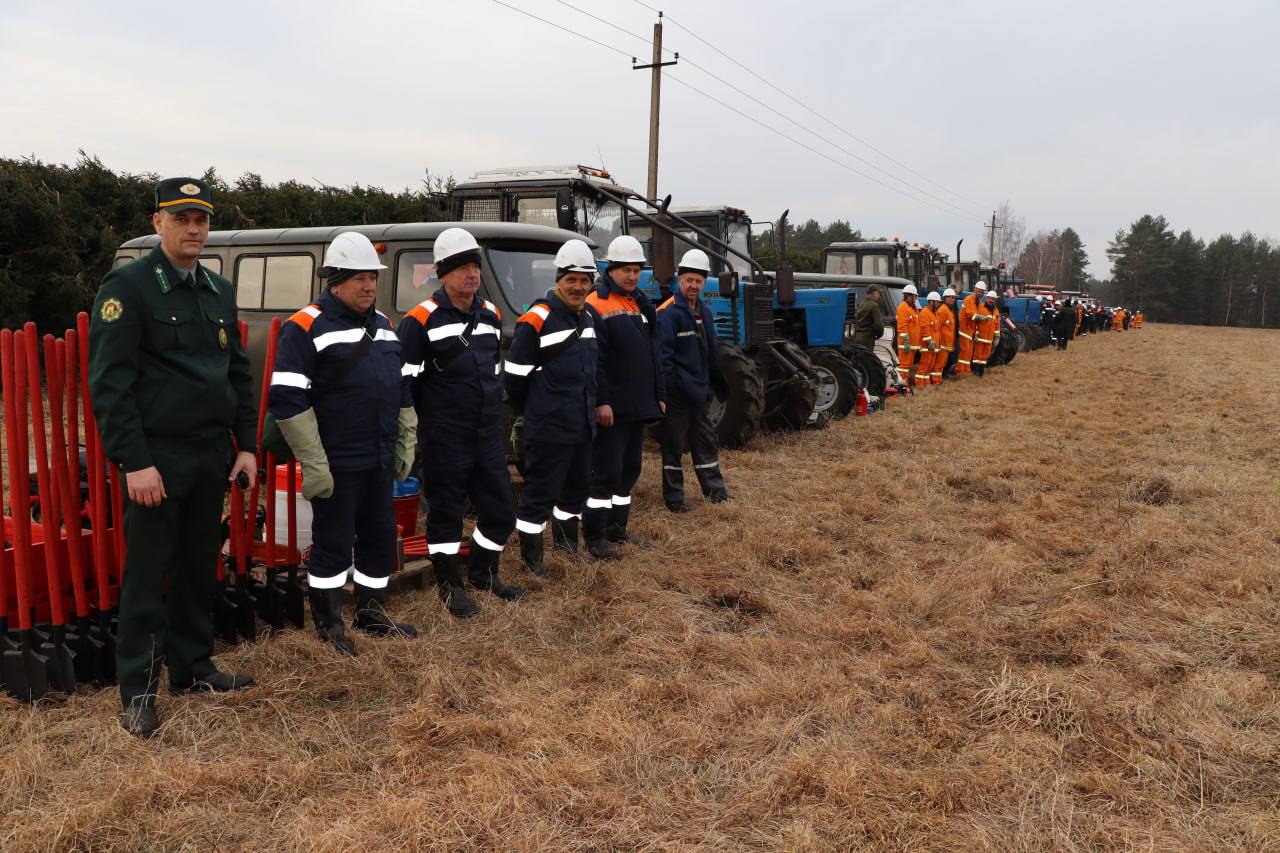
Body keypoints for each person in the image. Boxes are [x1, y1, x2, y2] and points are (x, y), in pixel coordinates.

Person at [89, 177, 258, 738]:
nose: (193, 229)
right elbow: (112, 384)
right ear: (158, 222)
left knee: (196, 568)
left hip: (210, 454)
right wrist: (134, 461)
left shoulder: (216, 290)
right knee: (147, 574)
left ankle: (192, 667)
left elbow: (236, 373)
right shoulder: (130, 287)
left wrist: (248, 446)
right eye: (181, 218)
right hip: (157, 459)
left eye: (202, 220)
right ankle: (137, 688)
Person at [269, 231, 417, 657]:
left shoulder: (385, 326)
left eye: (373, 278)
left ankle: (372, 613)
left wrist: (406, 438)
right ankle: (330, 625)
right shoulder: (305, 326)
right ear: (334, 280)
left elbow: (401, 385)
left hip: (378, 456)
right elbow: (287, 399)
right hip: (336, 460)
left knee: (378, 535)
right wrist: (314, 463)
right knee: (333, 542)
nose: (370, 286)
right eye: (359, 279)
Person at [397, 227, 522, 618]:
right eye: (461, 267)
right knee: (447, 514)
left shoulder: (491, 314)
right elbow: (405, 384)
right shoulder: (419, 321)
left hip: (485, 431)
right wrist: (414, 434)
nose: (471, 274)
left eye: (475, 266)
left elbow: (493, 369)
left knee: (501, 509)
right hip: (444, 433)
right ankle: (450, 584)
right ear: (443, 273)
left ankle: (484, 572)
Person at [504, 239, 600, 577]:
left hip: (582, 426)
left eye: (583, 280)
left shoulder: (588, 317)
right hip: (549, 429)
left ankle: (567, 548)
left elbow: (591, 371)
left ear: (592, 283)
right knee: (539, 497)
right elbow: (515, 378)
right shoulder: (536, 319)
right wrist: (537, 410)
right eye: (570, 279)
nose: (577, 287)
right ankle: (533, 563)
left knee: (575, 493)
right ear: (558, 279)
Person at [582, 235, 666, 557]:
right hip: (612, 408)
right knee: (605, 473)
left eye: (636, 269)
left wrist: (658, 394)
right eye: (625, 270)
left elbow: (653, 353)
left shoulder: (641, 303)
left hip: (637, 405)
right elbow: (596, 360)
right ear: (611, 269)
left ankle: (617, 530)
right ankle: (595, 537)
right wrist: (602, 401)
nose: (632, 275)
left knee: (629, 470)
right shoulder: (596, 304)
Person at [657, 249, 730, 511]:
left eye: (698, 281)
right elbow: (662, 358)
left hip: (699, 391)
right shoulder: (668, 312)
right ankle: (675, 499)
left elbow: (711, 351)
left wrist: (716, 384)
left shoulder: (704, 311)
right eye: (689, 280)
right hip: (678, 394)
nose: (693, 285)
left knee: (705, 442)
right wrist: (671, 389)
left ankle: (716, 492)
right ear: (679, 280)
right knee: (674, 445)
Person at [954, 280, 987, 375]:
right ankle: (960, 370)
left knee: (969, 352)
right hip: (964, 329)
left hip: (970, 331)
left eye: (982, 292)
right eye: (979, 291)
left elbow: (978, 320)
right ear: (975, 290)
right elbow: (970, 314)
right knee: (965, 351)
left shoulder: (979, 303)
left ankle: (966, 370)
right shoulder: (968, 299)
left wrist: (976, 332)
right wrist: (981, 317)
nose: (980, 293)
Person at [895, 283, 922, 387]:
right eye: (915, 296)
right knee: (903, 366)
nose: (916, 298)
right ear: (909, 296)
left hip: (912, 344)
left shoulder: (913, 308)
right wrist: (906, 341)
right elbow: (902, 326)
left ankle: (904, 385)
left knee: (907, 366)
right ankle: (900, 386)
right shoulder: (903, 308)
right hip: (906, 344)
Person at [920, 291, 947, 384]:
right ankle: (920, 384)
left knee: (929, 366)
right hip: (927, 346)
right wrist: (929, 341)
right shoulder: (925, 313)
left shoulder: (934, 313)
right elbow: (924, 329)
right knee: (924, 366)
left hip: (933, 346)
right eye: (938, 302)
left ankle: (926, 385)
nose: (939, 304)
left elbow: (936, 330)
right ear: (931, 302)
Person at [972, 289, 1001, 375]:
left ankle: (981, 372)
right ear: (986, 298)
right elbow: (975, 322)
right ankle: (975, 372)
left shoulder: (996, 311)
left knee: (985, 356)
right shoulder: (980, 307)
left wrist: (997, 336)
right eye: (990, 298)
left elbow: (997, 325)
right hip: (980, 338)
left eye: (993, 299)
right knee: (977, 356)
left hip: (989, 339)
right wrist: (976, 334)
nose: (991, 300)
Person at [852, 285, 885, 350]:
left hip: (858, 337)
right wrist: (879, 334)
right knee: (867, 358)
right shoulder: (874, 306)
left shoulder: (861, 304)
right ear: (873, 294)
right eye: (878, 294)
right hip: (868, 339)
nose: (879, 296)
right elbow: (878, 324)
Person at [939, 287, 959, 376]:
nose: (953, 299)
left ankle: (944, 373)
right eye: (951, 297)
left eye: (954, 298)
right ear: (945, 298)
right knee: (940, 361)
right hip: (943, 342)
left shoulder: (950, 310)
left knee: (945, 361)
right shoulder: (943, 310)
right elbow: (938, 326)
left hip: (948, 341)